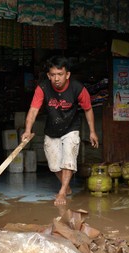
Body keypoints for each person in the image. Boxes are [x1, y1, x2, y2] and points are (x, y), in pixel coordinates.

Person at [21, 56, 99, 206]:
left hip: (71, 128)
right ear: (49, 75)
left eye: (60, 74)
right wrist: (27, 130)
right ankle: (67, 186)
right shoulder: (42, 88)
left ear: (67, 74)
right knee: (54, 165)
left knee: (68, 159)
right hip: (51, 130)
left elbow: (88, 109)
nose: (56, 78)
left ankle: (62, 191)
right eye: (53, 75)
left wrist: (92, 131)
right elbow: (33, 110)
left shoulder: (78, 88)